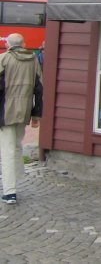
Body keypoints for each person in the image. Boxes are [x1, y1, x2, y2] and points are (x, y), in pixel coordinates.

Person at [0, 33, 43, 205]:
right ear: (23, 44)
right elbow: (39, 89)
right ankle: (17, 180)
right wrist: (36, 115)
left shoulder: (3, 59)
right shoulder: (33, 60)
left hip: (5, 112)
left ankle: (10, 192)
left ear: (8, 45)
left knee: (7, 151)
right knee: (17, 145)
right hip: (24, 111)